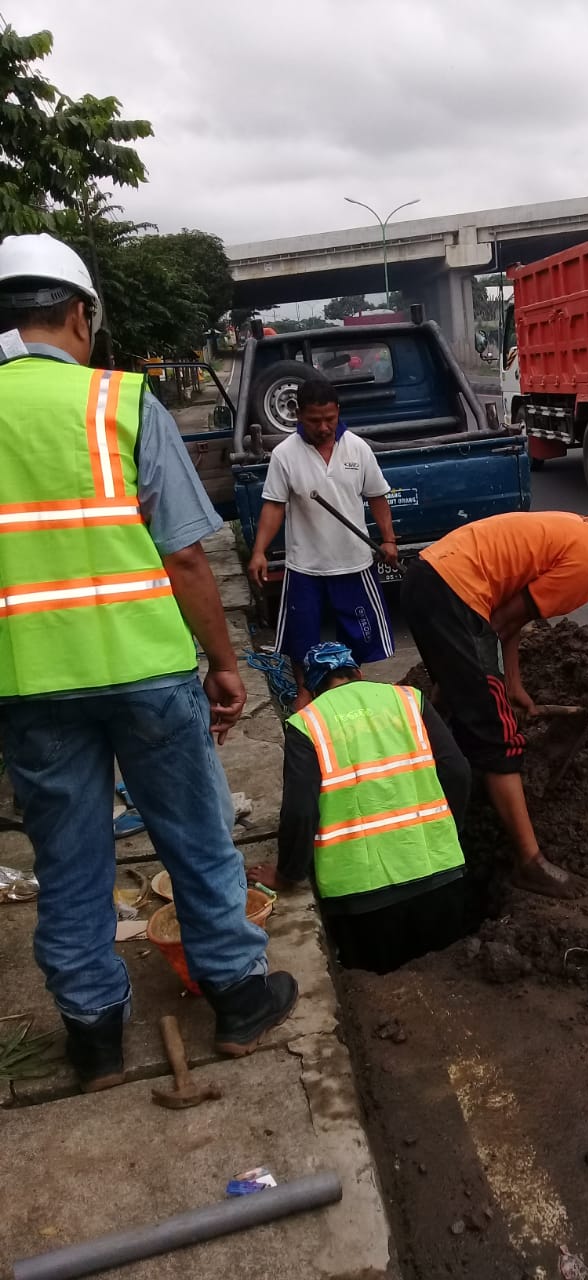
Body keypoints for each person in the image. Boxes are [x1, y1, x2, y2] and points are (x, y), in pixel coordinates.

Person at [0, 233, 298, 1092]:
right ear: (79, 316)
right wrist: (223, 661)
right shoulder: (121, 404)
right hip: (147, 671)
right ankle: (239, 1000)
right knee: (196, 835)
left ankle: (93, 1036)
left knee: (70, 859)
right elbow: (187, 559)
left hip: (28, 684)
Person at [400, 497, 588, 899]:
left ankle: (412, 769)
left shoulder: (576, 529)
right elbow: (499, 623)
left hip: (433, 578)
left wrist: (512, 683)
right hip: (453, 594)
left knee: (458, 700)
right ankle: (529, 862)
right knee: (497, 734)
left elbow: (510, 616)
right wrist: (495, 694)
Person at [247, 642, 471, 975]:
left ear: (309, 689)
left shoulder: (307, 724)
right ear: (358, 674)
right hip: (441, 881)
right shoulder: (409, 700)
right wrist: (447, 832)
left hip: (363, 903)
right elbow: (457, 771)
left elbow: (300, 811)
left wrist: (287, 874)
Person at [248, 376, 399, 709]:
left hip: (354, 562)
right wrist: (259, 551)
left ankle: (352, 686)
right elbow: (274, 505)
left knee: (360, 634)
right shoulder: (285, 455)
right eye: (315, 420)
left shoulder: (357, 448)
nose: (324, 427)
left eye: (330, 419)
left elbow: (377, 496)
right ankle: (305, 691)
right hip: (305, 566)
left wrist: (388, 540)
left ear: (338, 412)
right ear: (298, 414)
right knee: (301, 637)